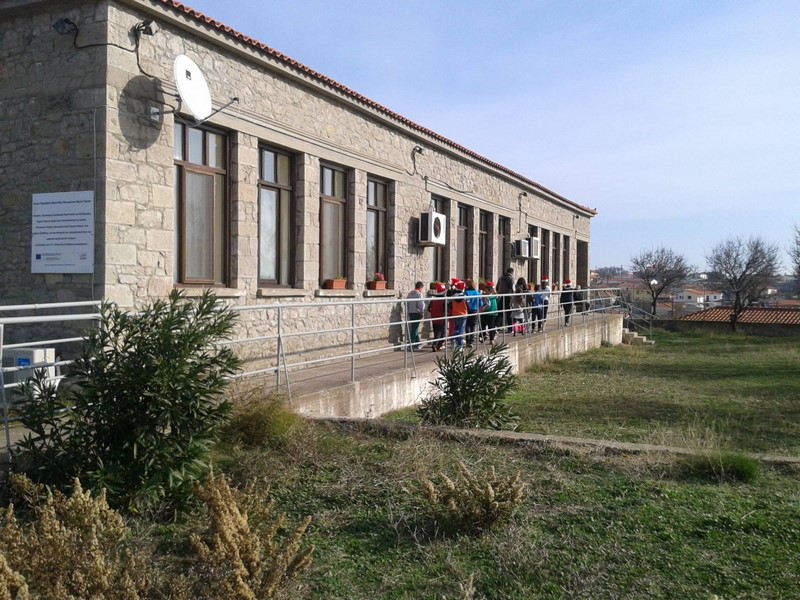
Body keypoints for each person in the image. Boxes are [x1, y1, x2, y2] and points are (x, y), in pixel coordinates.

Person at [464, 279, 484, 348]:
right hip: (475, 311)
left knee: (467, 326)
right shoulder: (477, 293)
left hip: (467, 311)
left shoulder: (466, 292)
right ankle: (471, 341)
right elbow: (481, 304)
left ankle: (467, 341)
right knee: (473, 326)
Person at [448, 280, 468, 350]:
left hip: (455, 314)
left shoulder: (453, 296)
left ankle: (455, 341)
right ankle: (460, 346)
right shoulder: (465, 297)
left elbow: (450, 305)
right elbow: (468, 304)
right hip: (463, 314)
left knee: (456, 329)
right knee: (461, 329)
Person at [427, 282, 447, 351]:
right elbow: (445, 309)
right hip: (441, 318)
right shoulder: (444, 300)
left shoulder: (433, 300)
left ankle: (437, 345)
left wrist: (433, 312)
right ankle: (436, 345)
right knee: (441, 332)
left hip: (434, 317)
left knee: (436, 332)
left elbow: (429, 308)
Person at [406, 281, 425, 349]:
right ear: (420, 288)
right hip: (417, 312)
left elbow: (407, 303)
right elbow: (421, 304)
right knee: (414, 328)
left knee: (415, 327)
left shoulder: (409, 294)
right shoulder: (419, 294)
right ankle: (412, 343)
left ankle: (417, 342)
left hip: (411, 312)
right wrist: (422, 312)